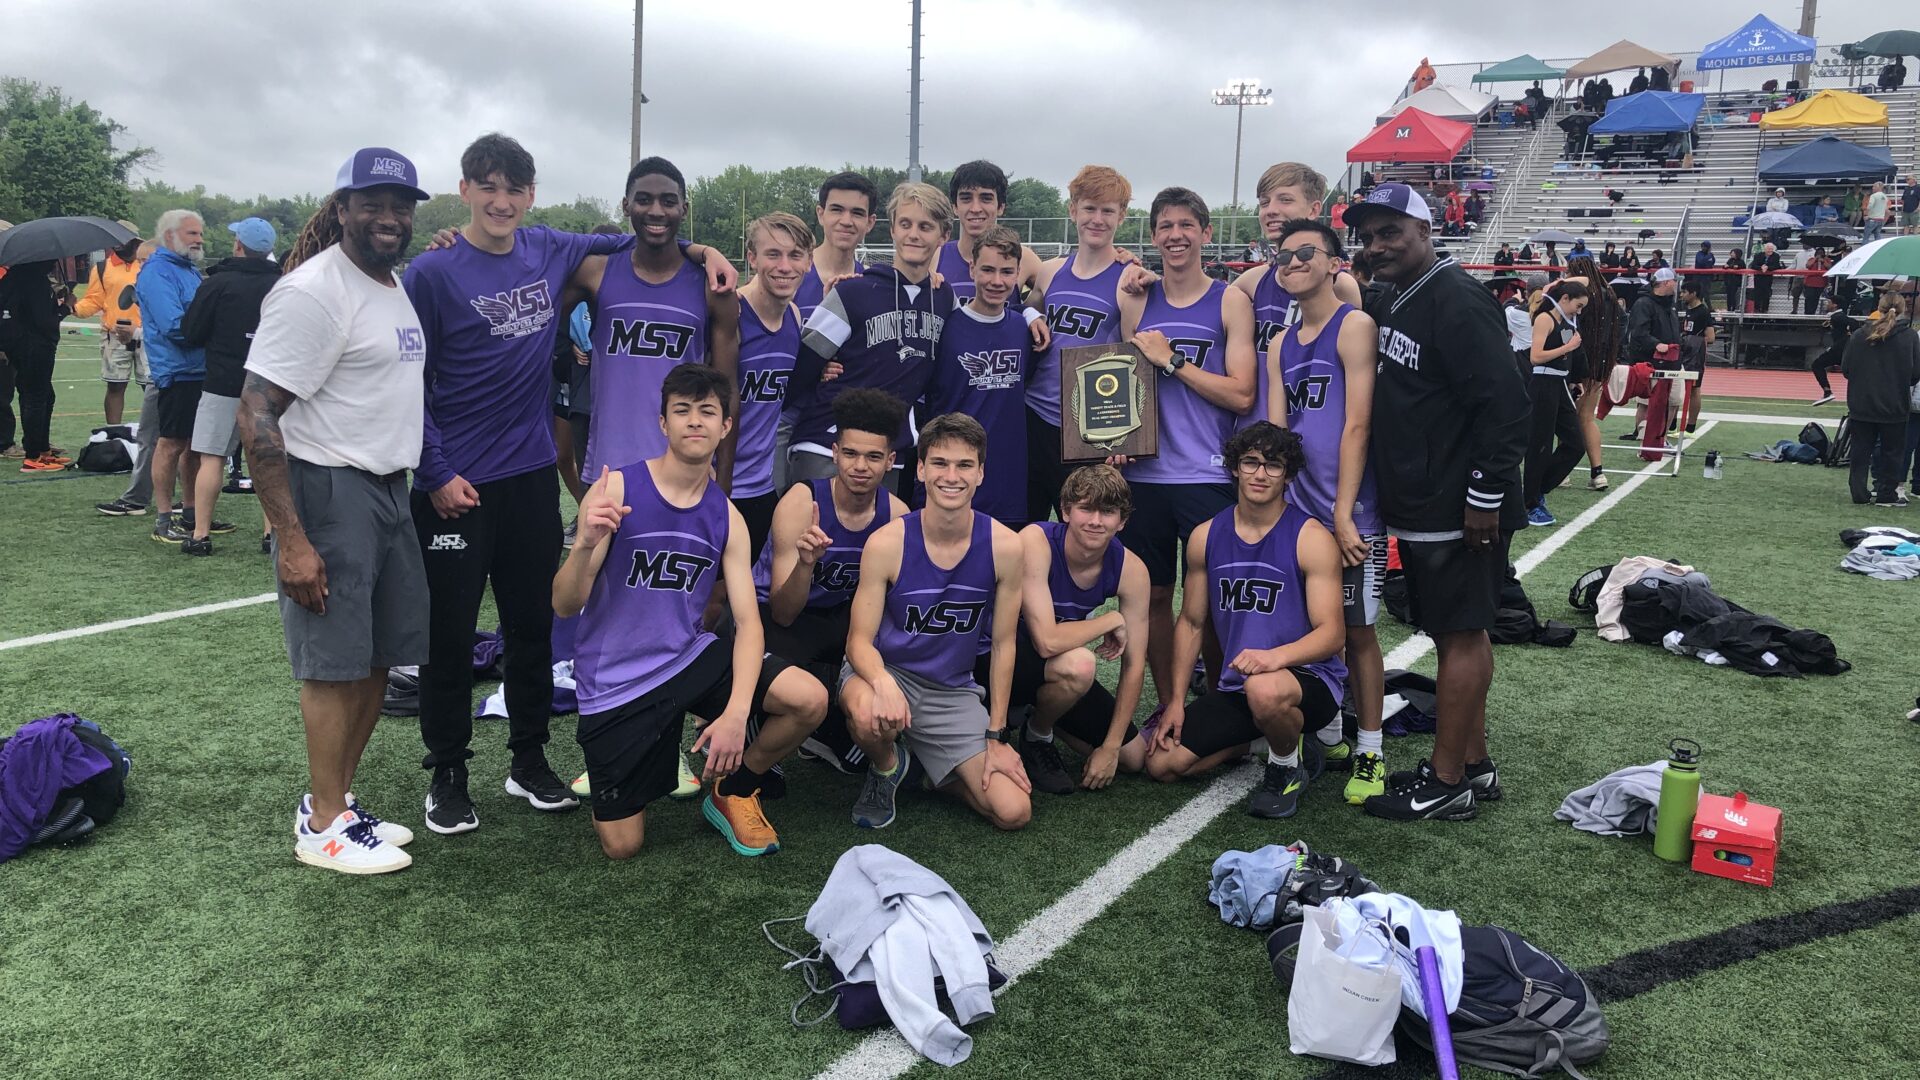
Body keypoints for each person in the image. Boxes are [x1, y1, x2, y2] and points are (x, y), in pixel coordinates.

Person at [401, 135, 640, 834]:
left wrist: (705, 254)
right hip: (454, 486)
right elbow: (405, 380)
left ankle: (527, 760)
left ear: (531, 194)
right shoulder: (434, 271)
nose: (501, 201)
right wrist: (435, 470)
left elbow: (626, 241)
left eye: (515, 188)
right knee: (447, 635)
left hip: (532, 477)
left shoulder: (547, 248)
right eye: (488, 187)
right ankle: (447, 771)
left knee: (533, 626)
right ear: (465, 190)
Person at [240, 148, 434, 875]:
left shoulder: (387, 282)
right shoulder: (314, 290)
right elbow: (257, 411)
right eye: (373, 203)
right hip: (329, 487)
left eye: (401, 204)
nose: (389, 217)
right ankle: (322, 823)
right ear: (343, 207)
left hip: (388, 487)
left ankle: (339, 802)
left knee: (380, 653)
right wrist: (290, 536)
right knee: (331, 664)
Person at [555, 363, 828, 858]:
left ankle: (735, 788)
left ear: (726, 427)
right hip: (617, 680)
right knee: (622, 846)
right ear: (663, 423)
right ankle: (651, 747)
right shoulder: (615, 491)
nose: (695, 421)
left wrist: (735, 714)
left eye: (708, 412)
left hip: (685, 660)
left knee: (808, 698)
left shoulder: (727, 515)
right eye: (682, 410)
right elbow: (565, 602)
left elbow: (748, 626)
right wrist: (583, 546)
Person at [1346, 182, 1530, 820]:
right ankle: (1473, 766)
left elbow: (1506, 405)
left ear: (1427, 230)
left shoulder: (1456, 298)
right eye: (1368, 237)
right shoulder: (1404, 296)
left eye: (1390, 232)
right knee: (1456, 632)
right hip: (1427, 500)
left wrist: (1483, 496)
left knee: (1459, 636)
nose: (1378, 246)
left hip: (1459, 504)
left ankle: (1446, 779)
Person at [839, 412, 1031, 831]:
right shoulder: (887, 542)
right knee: (871, 714)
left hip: (950, 689)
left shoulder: (1006, 546)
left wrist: (997, 736)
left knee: (1013, 811)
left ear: (981, 473)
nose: (952, 476)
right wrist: (884, 683)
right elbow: (858, 642)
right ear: (921, 469)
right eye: (940, 463)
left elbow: (1003, 645)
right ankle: (886, 767)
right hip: (885, 673)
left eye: (965, 465)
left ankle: (925, 773)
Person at [1145, 421, 1345, 820]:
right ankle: (1257, 740)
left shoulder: (1310, 537)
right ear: (1234, 467)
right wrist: (1176, 703)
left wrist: (1275, 658)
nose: (1260, 473)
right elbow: (1191, 623)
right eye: (1250, 462)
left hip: (1308, 680)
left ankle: (1287, 767)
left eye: (1273, 465)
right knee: (1161, 764)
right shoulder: (1205, 536)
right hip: (1242, 687)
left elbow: (1332, 634)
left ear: (1287, 475)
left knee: (1266, 691)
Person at [1116, 187, 1257, 714]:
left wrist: (1173, 361)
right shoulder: (1133, 297)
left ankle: (1223, 700)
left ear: (1206, 232)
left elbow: (1242, 392)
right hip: (1145, 476)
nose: (1175, 236)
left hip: (1209, 474)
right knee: (1151, 598)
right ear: (1152, 237)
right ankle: (1166, 699)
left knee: (1217, 602)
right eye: (1165, 227)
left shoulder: (1228, 300)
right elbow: (1120, 384)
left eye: (1185, 225)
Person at [1268, 218, 1389, 804]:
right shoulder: (1278, 344)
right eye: (1283, 256)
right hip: (1298, 515)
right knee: (1313, 627)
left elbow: (1357, 424)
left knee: (1359, 631)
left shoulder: (1354, 326)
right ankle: (1335, 733)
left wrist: (1342, 512)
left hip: (1351, 512)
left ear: (1335, 262)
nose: (1292, 263)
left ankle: (1372, 751)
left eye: (1305, 253)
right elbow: (1275, 437)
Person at [759, 388, 911, 775]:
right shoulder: (802, 502)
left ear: (890, 461)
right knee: (770, 644)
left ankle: (833, 727)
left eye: (874, 456)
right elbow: (783, 611)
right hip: (787, 618)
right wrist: (806, 565)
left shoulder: (897, 515)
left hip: (846, 618)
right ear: (835, 452)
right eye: (851, 453)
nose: (861, 466)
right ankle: (760, 727)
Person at [568, 156, 740, 483]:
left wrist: (723, 485)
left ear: (684, 209)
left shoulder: (712, 285)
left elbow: (728, 388)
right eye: (644, 200)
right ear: (626, 205)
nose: (657, 211)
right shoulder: (596, 273)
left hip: (685, 471)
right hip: (609, 468)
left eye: (668, 201)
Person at [787, 182, 955, 488]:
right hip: (827, 443)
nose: (914, 234)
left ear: (944, 235)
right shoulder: (853, 291)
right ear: (892, 230)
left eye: (926, 226)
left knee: (879, 537)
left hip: (889, 450)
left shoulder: (944, 299)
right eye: (905, 224)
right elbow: (802, 368)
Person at [1004, 465, 1151, 793]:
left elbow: (1135, 663)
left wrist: (1111, 747)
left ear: (1122, 521)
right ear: (1066, 511)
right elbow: (1045, 641)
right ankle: (1030, 729)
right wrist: (1110, 620)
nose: (1096, 521)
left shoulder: (1132, 570)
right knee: (1080, 664)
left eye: (1108, 512)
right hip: (999, 661)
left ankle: (1037, 726)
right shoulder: (1035, 540)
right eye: (1086, 508)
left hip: (1053, 667)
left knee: (1133, 757)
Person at [1028, 165, 1132, 523]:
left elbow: (1136, 362)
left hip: (1090, 427)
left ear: (1123, 215)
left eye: (1108, 210)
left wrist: (1123, 438)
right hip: (1036, 417)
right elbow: (1023, 314)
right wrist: (1029, 316)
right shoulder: (1050, 270)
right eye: (1089, 208)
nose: (1097, 219)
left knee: (1085, 533)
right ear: (1073, 210)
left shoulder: (1128, 280)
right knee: (1028, 527)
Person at [1230, 163, 1362, 426]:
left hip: (1318, 435)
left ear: (1314, 209)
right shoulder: (1252, 282)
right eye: (1264, 202)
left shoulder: (1341, 286)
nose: (1271, 210)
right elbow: (1197, 299)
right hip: (1257, 440)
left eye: (1285, 200)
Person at [177, 217, 279, 555]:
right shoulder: (283, 283)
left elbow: (191, 331)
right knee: (267, 459)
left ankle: (200, 535)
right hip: (268, 382)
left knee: (212, 458)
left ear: (238, 245)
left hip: (222, 379)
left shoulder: (216, 283)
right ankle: (271, 534)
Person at [925, 225, 1031, 526]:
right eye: (987, 270)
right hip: (951, 473)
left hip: (1006, 479)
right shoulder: (945, 325)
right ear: (972, 269)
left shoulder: (1022, 329)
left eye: (1007, 272)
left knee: (1000, 566)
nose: (997, 281)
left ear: (1017, 273)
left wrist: (1032, 314)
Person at [731, 211, 811, 560]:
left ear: (809, 261)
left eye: (795, 255)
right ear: (752, 258)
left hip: (760, 485)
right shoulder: (730, 312)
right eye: (773, 254)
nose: (784, 266)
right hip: (714, 482)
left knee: (739, 593)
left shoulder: (794, 317)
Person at [136, 210, 211, 541]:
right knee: (170, 443)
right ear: (170, 236)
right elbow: (174, 325)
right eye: (192, 234)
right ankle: (164, 518)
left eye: (199, 234)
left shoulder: (189, 270)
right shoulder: (157, 273)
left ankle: (192, 514)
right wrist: (217, 331)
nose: (199, 240)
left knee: (197, 445)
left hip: (200, 369)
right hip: (177, 370)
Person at [1840, 292, 1920, 507]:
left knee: (1860, 450)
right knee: (1892, 452)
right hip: (1894, 404)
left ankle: (1858, 491)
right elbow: (1915, 374)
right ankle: (1886, 493)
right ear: (1902, 309)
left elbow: (1846, 368)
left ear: (1879, 307)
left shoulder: (1859, 335)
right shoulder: (1909, 337)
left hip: (1861, 402)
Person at [1524, 280, 1590, 525]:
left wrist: (1573, 379)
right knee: (1539, 448)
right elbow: (1536, 357)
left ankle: (1536, 490)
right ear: (1564, 299)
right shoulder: (1545, 319)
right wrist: (1568, 347)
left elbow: (1566, 356)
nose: (1579, 311)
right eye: (1578, 305)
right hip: (1542, 386)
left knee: (1575, 444)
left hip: (1560, 385)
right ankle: (1530, 504)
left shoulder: (1567, 321)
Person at [938, 160, 1046, 302]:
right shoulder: (936, 257)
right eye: (966, 198)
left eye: (986, 198)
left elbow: (1057, 296)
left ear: (1000, 206)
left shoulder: (1024, 258)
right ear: (955, 207)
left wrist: (1030, 314)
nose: (975, 208)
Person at [71, 226, 146, 426]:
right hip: (114, 336)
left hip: (147, 337)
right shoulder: (102, 267)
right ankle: (113, 432)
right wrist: (74, 307)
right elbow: (94, 300)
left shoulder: (149, 264)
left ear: (135, 241)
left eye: (122, 239)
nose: (117, 243)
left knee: (152, 388)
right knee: (115, 386)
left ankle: (156, 433)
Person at [0, 261, 69, 471]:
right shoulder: (34, 280)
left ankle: (42, 449)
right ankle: (33, 455)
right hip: (34, 345)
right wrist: (64, 308)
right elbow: (44, 320)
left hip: (18, 344)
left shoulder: (13, 277)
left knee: (45, 395)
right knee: (35, 397)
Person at [1565, 254, 1621, 491]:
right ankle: (1597, 471)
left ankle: (1563, 471)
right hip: (1601, 363)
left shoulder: (1581, 296)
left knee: (1566, 419)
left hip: (1579, 363)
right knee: (1587, 417)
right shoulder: (1610, 295)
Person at [1626, 268, 1685, 437]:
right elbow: (1638, 332)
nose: (1676, 284)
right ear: (1666, 282)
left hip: (1672, 361)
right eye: (1674, 280)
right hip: (1651, 362)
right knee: (1646, 402)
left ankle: (1661, 438)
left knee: (1674, 400)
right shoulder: (1644, 303)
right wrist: (1657, 344)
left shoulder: (1670, 305)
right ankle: (1645, 437)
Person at [1678, 279, 1716, 432]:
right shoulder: (1688, 310)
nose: (1681, 295)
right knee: (1678, 385)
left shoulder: (1703, 312)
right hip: (1684, 352)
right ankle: (1674, 422)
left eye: (1684, 292)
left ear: (1693, 294)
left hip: (1695, 355)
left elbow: (1711, 337)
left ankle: (1691, 424)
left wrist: (1695, 342)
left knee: (1694, 388)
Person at [1811, 298, 1853, 406]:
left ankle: (1827, 391)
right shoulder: (1836, 317)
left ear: (1835, 305)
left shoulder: (1837, 317)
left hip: (1839, 350)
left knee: (1817, 365)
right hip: (1845, 350)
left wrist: (1835, 346)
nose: (1827, 304)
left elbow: (1850, 323)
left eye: (1829, 302)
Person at [1752, 242, 1783, 314]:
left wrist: (1767, 268)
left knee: (1766, 293)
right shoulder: (1758, 255)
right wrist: (1761, 268)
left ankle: (1765, 309)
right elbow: (1754, 265)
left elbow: (1776, 266)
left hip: (1768, 278)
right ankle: (1756, 308)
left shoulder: (1776, 256)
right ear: (1765, 249)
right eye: (1769, 249)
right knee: (1757, 293)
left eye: (1772, 249)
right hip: (1758, 277)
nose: (1770, 251)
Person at [1802, 249, 1832, 316]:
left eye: (1821, 253)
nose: (1820, 254)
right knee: (1809, 298)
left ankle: (1812, 313)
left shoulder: (1827, 260)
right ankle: (1807, 313)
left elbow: (1829, 267)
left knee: (1816, 299)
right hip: (1810, 283)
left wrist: (1823, 261)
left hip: (1821, 283)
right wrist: (1815, 259)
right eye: (1818, 253)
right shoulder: (1812, 259)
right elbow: (1808, 265)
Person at [1723, 246, 1747, 313]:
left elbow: (1740, 267)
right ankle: (1729, 308)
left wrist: (1731, 266)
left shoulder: (1741, 261)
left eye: (1733, 253)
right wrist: (1726, 267)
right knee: (1729, 295)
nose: (1731, 254)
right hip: (1728, 281)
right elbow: (1725, 266)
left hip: (1735, 282)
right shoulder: (1730, 260)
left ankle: (1734, 308)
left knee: (1734, 295)